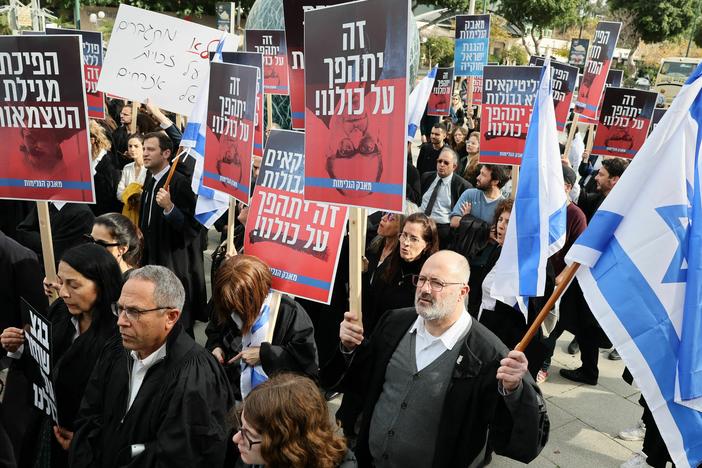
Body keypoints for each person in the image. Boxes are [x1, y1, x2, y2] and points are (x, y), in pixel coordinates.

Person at [321, 250, 549, 467]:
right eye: (421, 279)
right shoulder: (394, 323)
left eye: (437, 283)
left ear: (463, 292)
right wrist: (349, 348)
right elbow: (360, 381)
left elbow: (521, 442)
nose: (425, 289)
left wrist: (514, 391)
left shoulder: (489, 355)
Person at [69, 265, 233, 468]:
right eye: (120, 309)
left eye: (134, 311)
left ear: (171, 317)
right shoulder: (116, 350)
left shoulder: (196, 376)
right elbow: (89, 416)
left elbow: (183, 455)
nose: (121, 321)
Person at [1, 244, 122, 468]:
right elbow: (42, 365)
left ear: (102, 285)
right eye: (61, 281)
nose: (63, 292)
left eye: (74, 285)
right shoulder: (59, 311)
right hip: (45, 429)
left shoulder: (118, 337)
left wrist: (87, 442)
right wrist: (19, 347)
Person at [208, 255, 318, 400]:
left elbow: (307, 367)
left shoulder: (289, 312)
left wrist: (265, 355)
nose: (234, 309)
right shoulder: (226, 300)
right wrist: (216, 347)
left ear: (257, 294)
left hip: (271, 400)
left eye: (240, 305)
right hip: (228, 390)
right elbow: (214, 330)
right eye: (229, 305)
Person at [138, 132, 206, 332]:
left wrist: (170, 208)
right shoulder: (150, 180)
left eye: (150, 149)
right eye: (144, 149)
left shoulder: (178, 182)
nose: (145, 153)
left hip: (173, 263)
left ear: (166, 153)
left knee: (176, 322)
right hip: (151, 258)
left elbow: (193, 228)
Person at [234, 373, 357, 468]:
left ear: (288, 444)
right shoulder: (256, 456)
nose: (236, 438)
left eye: (249, 434)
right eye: (242, 427)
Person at [15, 202, 95, 268]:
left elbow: (56, 251)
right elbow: (22, 231)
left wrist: (39, 242)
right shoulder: (44, 203)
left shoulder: (81, 213)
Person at [419, 147, 471, 248]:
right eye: (439, 161)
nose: (441, 165)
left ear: (454, 166)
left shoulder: (462, 186)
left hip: (442, 229)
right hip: (421, 223)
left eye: (446, 163)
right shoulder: (426, 177)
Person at [577, 157, 629, 222]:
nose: (596, 178)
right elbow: (580, 196)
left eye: (601, 175)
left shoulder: (624, 210)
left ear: (614, 180)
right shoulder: (597, 198)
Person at [89, 120, 123, 216]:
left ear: (92, 140)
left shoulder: (108, 160)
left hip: (104, 212)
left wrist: (93, 173)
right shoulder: (84, 157)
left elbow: (110, 190)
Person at [117, 134, 147, 226]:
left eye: (136, 146)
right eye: (130, 146)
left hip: (144, 213)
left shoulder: (149, 169)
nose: (132, 149)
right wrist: (130, 197)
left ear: (143, 147)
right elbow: (119, 193)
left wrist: (129, 192)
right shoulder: (127, 168)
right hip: (127, 212)